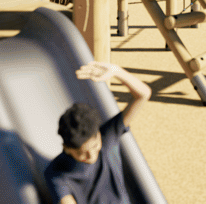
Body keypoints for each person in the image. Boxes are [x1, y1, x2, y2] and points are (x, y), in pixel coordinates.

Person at [45, 61, 153, 204]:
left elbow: (143, 95)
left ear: (98, 136)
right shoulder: (57, 174)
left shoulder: (108, 136)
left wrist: (116, 71)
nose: (92, 156)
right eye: (82, 153)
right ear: (67, 148)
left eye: (95, 146)